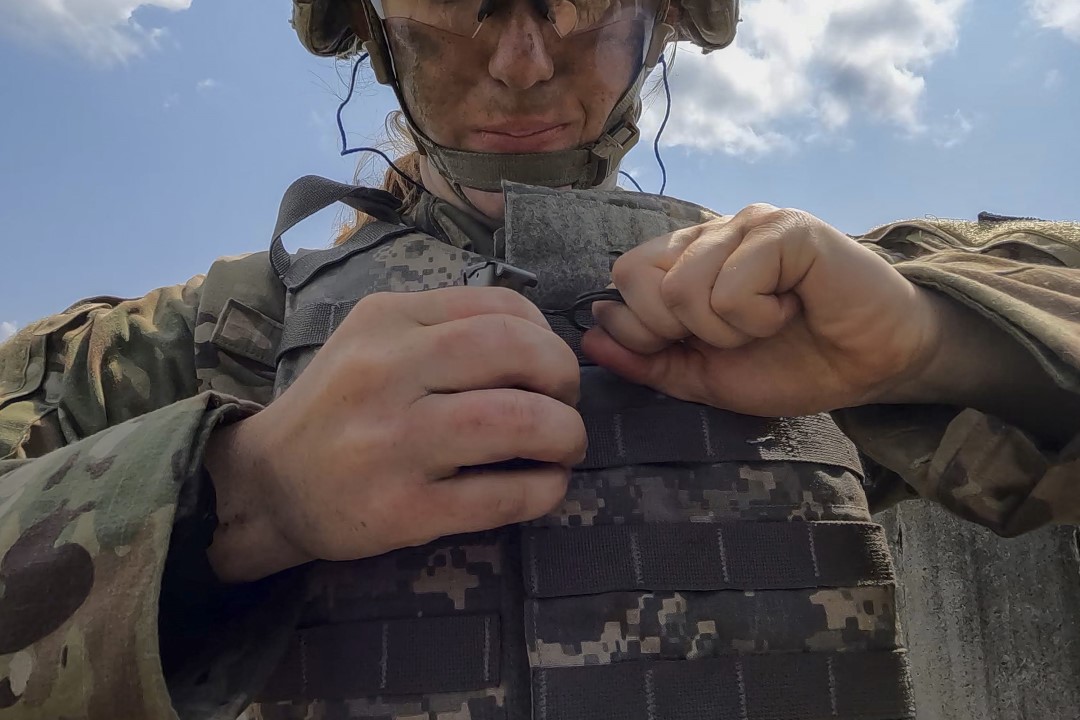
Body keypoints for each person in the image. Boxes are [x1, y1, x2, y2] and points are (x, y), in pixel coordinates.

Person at [1, 0, 1079, 718]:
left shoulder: (786, 299)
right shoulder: (206, 338)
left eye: (581, 10)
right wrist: (244, 494)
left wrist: (936, 342)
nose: (521, 67)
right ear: (378, 32)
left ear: (658, 28)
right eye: (455, 10)